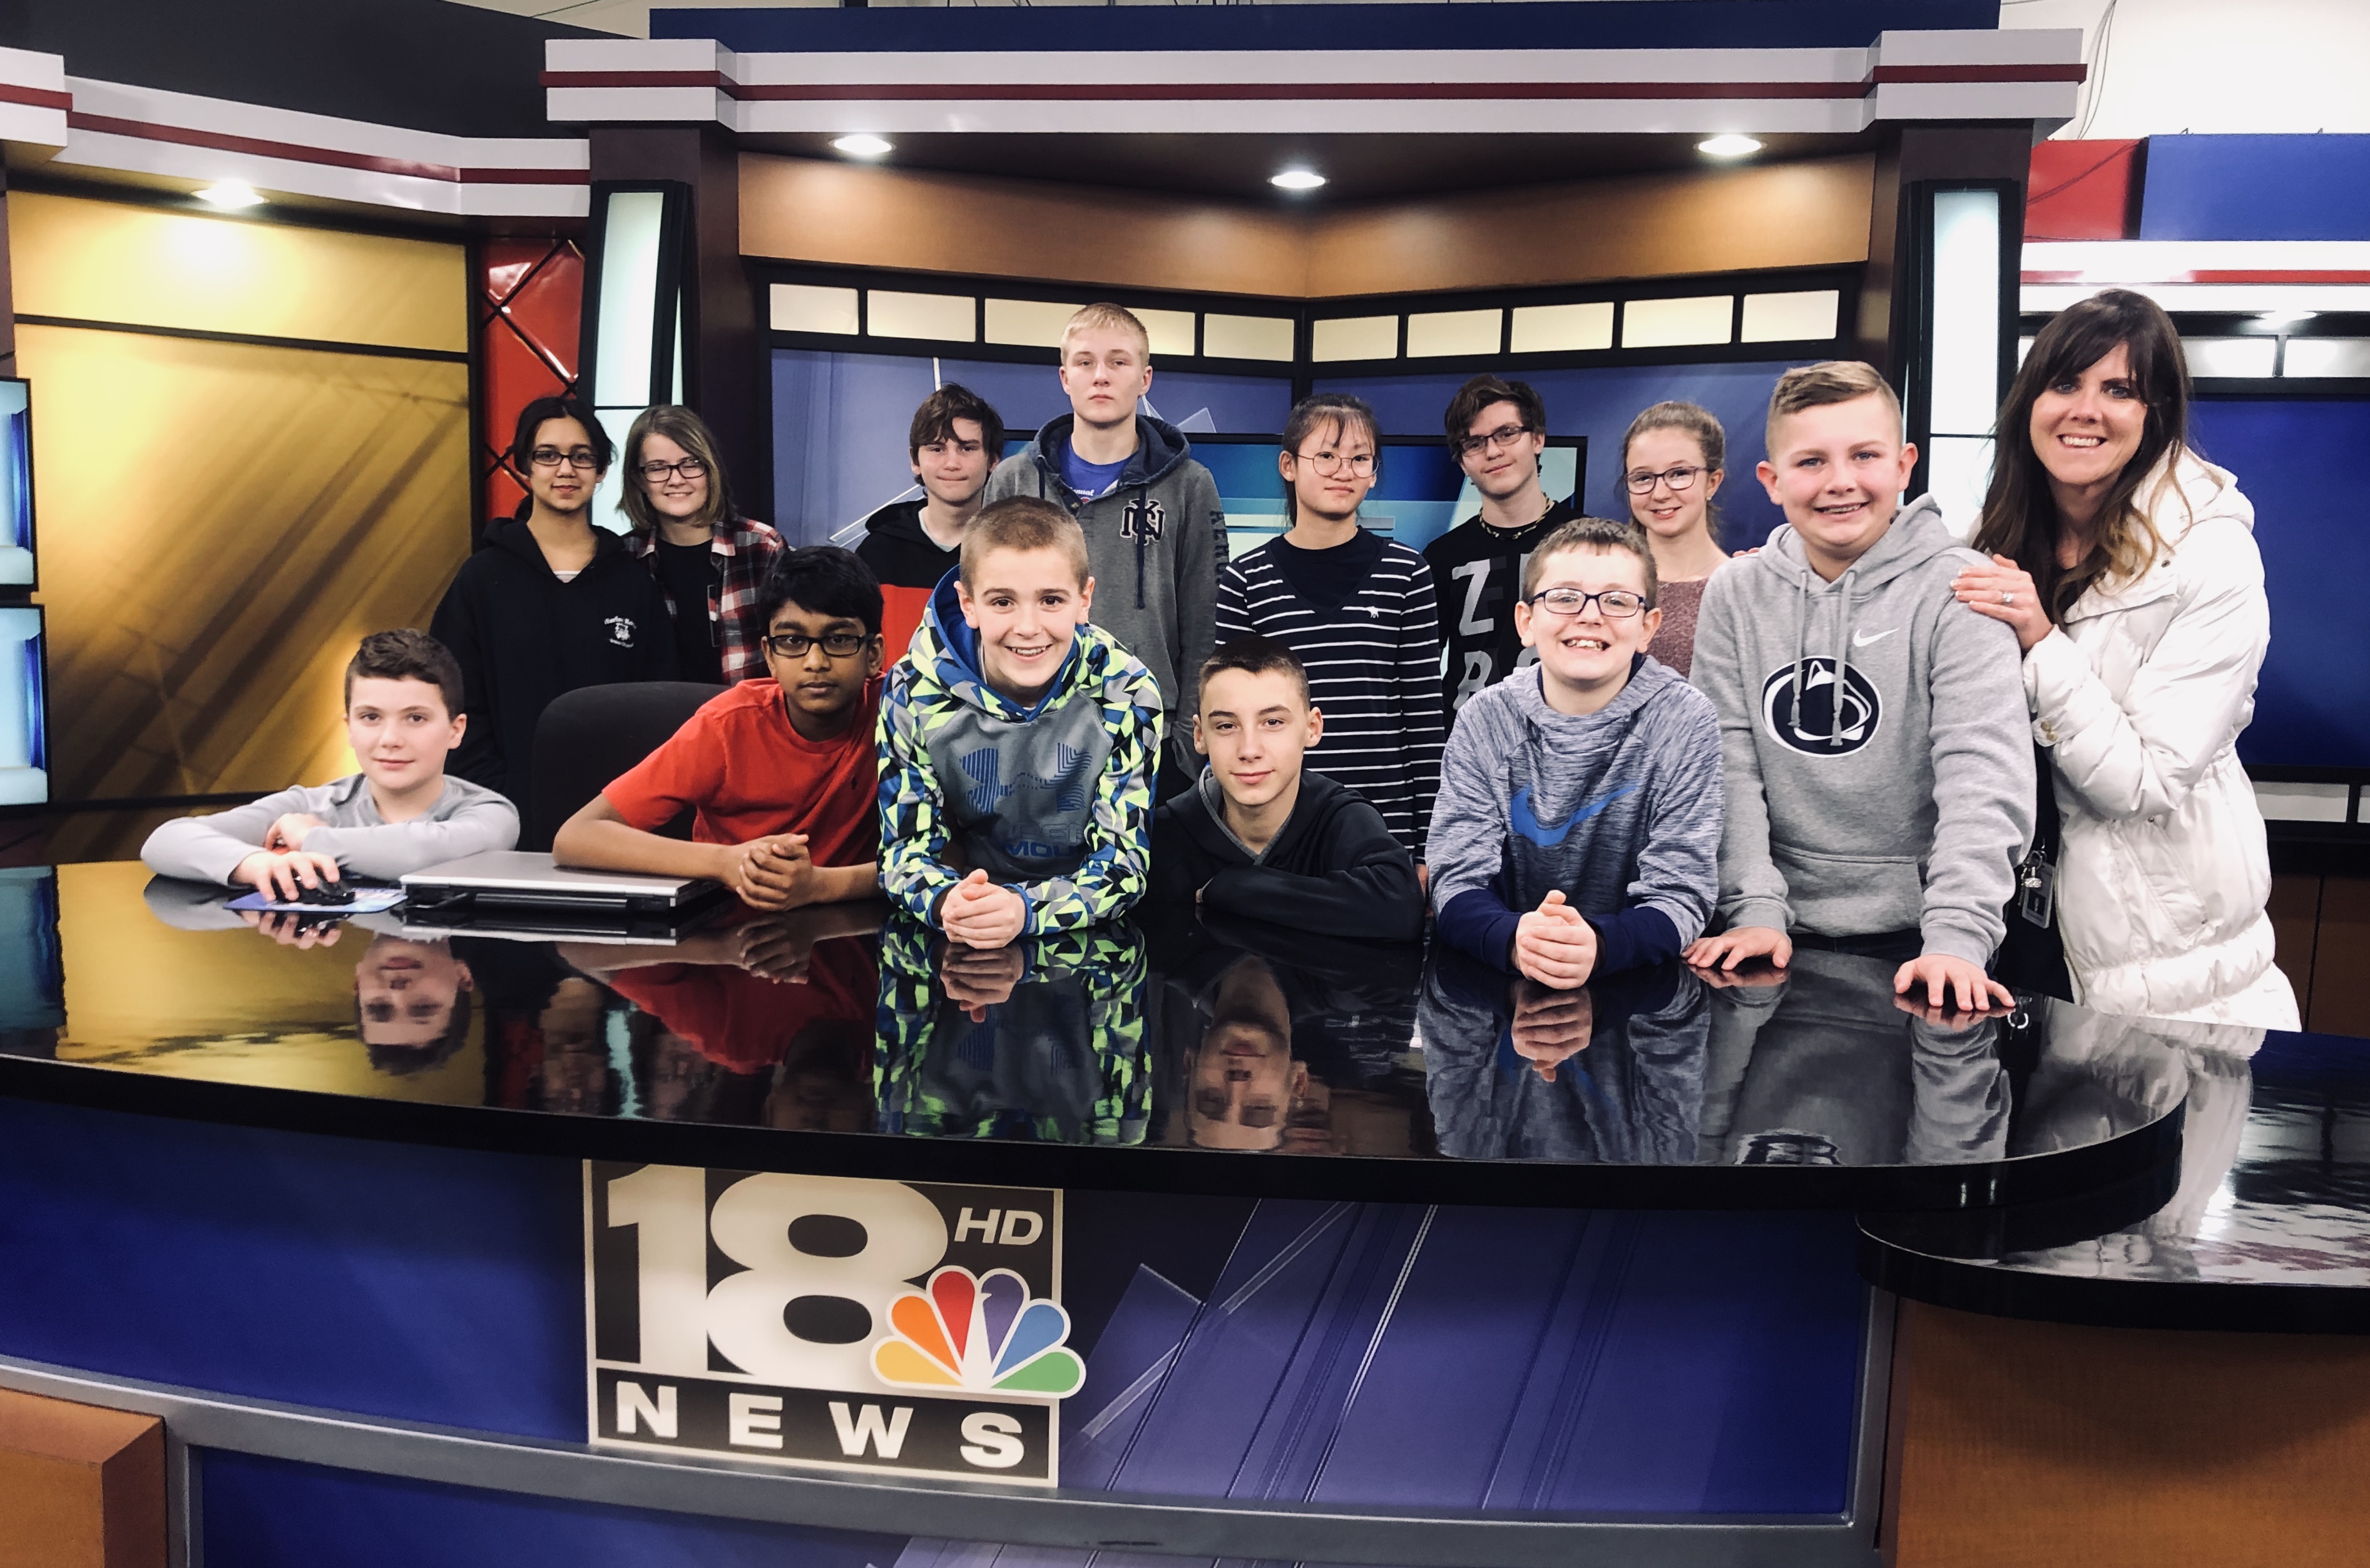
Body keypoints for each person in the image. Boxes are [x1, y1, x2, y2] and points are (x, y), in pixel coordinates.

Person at [1949, 289, 2299, 1028]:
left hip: (2164, 967)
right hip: (2006, 939)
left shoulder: (2211, 555)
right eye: (2064, 383)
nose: (2085, 410)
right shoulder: (1991, 535)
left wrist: (2041, 642)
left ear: (2155, 413)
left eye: (2119, 390)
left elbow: (2145, 781)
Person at [1685, 360, 2035, 1012]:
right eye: (1811, 461)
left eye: (1864, 455)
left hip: (1925, 940)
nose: (1840, 481)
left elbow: (1982, 778)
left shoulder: (1962, 588)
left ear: (1904, 466)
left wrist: (1958, 937)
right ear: (1771, 481)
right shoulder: (1735, 591)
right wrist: (1752, 906)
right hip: (1765, 931)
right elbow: (1727, 764)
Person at [1427, 517, 1724, 989]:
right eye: (1565, 597)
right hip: (1503, 978)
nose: (1589, 616)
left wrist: (1599, 945)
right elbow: (1455, 879)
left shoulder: (1686, 720)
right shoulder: (1484, 718)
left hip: (1639, 986)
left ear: (1647, 628)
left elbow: (1683, 890)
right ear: (1526, 622)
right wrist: (1516, 938)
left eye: (1617, 601)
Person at [877, 496, 1163, 946]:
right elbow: (903, 853)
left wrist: (1024, 909)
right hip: (966, 915)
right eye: (1002, 602)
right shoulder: (911, 690)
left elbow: (1123, 866)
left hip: (1086, 935)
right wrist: (947, 900)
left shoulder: (1127, 691)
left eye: (1051, 600)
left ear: (1084, 599)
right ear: (968, 604)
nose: (1028, 627)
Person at [552, 547, 885, 910]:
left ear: (873, 654)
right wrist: (727, 862)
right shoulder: (727, 726)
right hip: (726, 922)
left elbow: (933, 863)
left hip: (862, 925)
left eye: (839, 640)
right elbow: (576, 837)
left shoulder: (899, 714)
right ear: (769, 656)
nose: (815, 662)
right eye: (792, 641)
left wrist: (822, 885)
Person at [978, 303, 1224, 787]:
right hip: (1029, 729)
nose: (1101, 377)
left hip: (1148, 733)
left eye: (1118, 362)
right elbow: (986, 612)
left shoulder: (1190, 486)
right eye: (1085, 362)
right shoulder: (1013, 480)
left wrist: (1185, 744)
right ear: (1064, 377)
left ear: (1145, 378)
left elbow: (1206, 625)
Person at [1213, 394, 1444, 857]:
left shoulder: (1408, 573)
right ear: (1288, 465)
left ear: (1373, 472)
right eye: (1326, 456)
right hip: (1276, 830)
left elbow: (1423, 721)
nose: (1344, 471)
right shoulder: (1245, 580)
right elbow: (1229, 718)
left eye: (1360, 459)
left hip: (1387, 828)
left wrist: (1427, 849)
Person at [432, 395, 677, 812]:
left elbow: (659, 706)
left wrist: (629, 803)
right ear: (523, 466)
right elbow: (451, 702)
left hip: (618, 816)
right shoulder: (482, 579)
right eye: (547, 455)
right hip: (502, 815)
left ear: (601, 470)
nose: (566, 469)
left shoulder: (632, 582)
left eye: (581, 456)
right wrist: (497, 799)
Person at [142, 629, 518, 897]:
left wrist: (311, 840)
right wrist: (255, 863)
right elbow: (166, 840)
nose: (390, 739)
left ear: (456, 730)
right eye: (371, 717)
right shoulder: (311, 805)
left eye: (415, 718)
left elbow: (420, 852)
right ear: (349, 727)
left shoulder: (490, 813)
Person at [1152, 636, 1425, 941]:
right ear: (1200, 736)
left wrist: (1238, 888)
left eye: (1272, 722)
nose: (1249, 750)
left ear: (1312, 728)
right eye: (1226, 726)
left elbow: (1400, 905)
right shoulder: (1163, 835)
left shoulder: (1340, 816)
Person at [1422, 374, 1581, 721]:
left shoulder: (1588, 544)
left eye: (1507, 434)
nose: (1493, 451)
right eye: (1475, 443)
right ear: (1463, 462)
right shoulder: (1441, 557)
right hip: (1469, 739)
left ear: (1537, 439)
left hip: (1566, 734)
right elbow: (1419, 672)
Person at [620, 405, 785, 688]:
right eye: (658, 468)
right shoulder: (625, 556)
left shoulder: (762, 546)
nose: (676, 479)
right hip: (659, 714)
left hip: (746, 712)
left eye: (690, 464)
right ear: (639, 480)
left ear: (710, 470)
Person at [857, 384, 1006, 591]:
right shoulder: (875, 555)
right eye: (937, 449)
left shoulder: (1017, 550)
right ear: (915, 460)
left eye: (967, 448)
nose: (952, 464)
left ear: (993, 460)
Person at [1619, 401, 1730, 678]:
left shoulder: (1740, 587)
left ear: (1713, 482)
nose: (1660, 493)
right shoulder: (1604, 584)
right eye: (1643, 478)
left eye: (1679, 474)